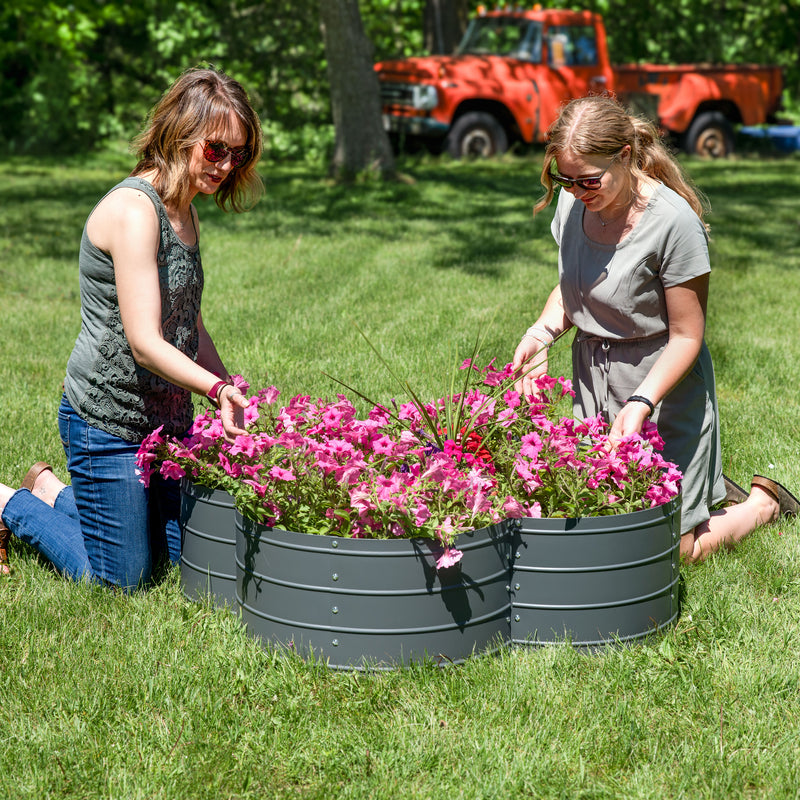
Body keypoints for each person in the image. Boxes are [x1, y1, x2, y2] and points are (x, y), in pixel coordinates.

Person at [0, 67, 263, 587]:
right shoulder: (135, 211)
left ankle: (51, 489)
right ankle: (9, 502)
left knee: (179, 558)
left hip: (164, 425)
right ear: (181, 134)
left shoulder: (184, 206)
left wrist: (231, 390)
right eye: (216, 150)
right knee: (123, 578)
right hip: (107, 424)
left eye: (240, 154)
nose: (227, 165)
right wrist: (213, 388)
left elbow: (191, 326)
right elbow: (144, 344)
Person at [512, 95, 798, 564]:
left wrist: (642, 402)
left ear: (624, 156)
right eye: (566, 178)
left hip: (662, 384)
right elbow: (576, 287)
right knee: (604, 518)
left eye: (589, 179)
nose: (577, 190)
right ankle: (701, 487)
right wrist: (540, 333)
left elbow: (688, 335)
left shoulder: (672, 223)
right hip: (595, 376)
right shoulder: (572, 203)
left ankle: (762, 504)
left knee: (672, 553)